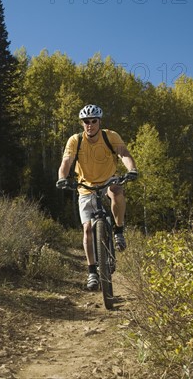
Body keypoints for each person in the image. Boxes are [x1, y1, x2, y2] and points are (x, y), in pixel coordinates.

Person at [56, 104, 138, 291]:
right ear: (82, 123)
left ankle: (118, 231)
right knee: (87, 230)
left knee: (117, 190)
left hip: (109, 180)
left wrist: (131, 169)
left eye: (94, 121)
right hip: (85, 186)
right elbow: (66, 162)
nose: (90, 125)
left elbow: (124, 154)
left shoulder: (111, 136)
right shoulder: (75, 140)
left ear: (99, 122)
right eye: (86, 121)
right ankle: (92, 271)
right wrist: (62, 178)